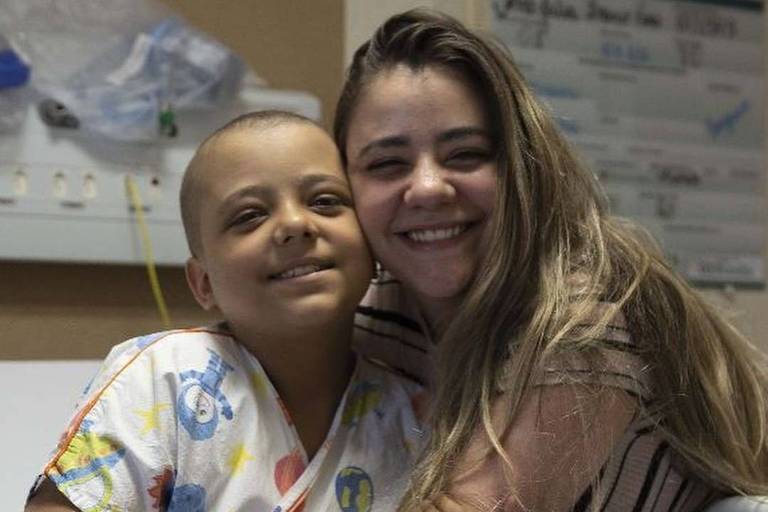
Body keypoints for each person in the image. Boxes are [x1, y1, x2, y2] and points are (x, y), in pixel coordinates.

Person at [335, 9, 768, 511]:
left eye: (466, 154)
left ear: (522, 166)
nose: (429, 187)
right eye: (387, 164)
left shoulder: (581, 322)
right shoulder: (372, 306)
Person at [25, 110, 424, 512]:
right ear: (203, 283)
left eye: (325, 201)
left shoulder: (412, 416)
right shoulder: (164, 380)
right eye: (249, 215)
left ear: (373, 249)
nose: (295, 223)